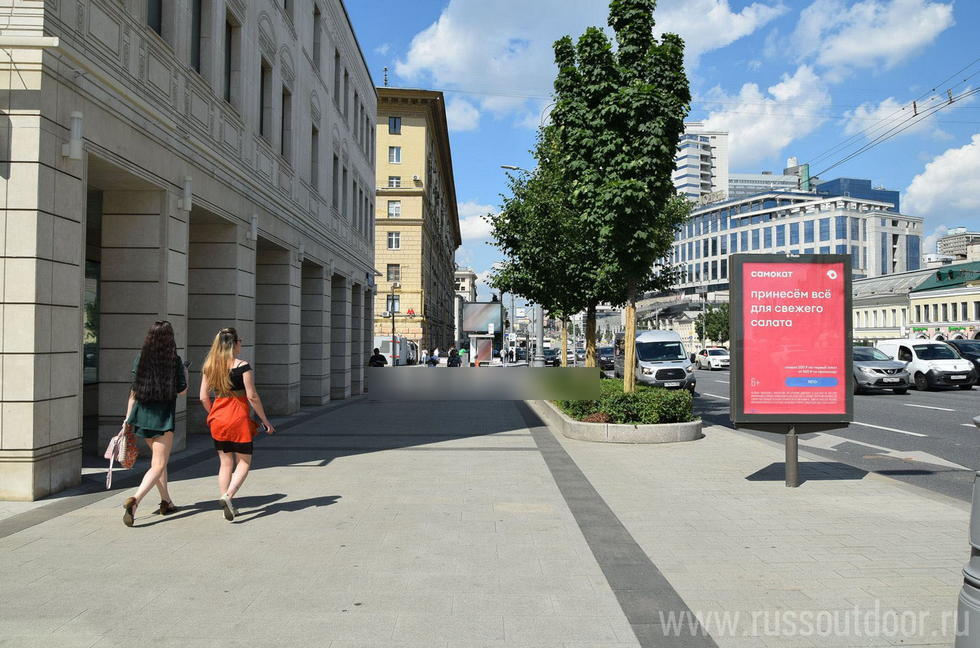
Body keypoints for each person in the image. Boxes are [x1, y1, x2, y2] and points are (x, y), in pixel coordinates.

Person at [199, 327, 275, 521]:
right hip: (239, 419)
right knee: (244, 462)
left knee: (225, 462)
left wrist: (213, 413)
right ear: (233, 344)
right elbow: (252, 396)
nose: (241, 343)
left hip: (218, 419)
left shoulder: (210, 366)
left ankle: (227, 502)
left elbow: (202, 397)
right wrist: (265, 421)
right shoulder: (243, 366)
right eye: (239, 340)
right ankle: (228, 496)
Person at [121, 321, 188, 527]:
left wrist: (126, 419)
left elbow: (134, 391)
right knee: (158, 464)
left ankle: (166, 501)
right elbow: (182, 390)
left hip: (142, 416)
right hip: (162, 419)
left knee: (159, 463)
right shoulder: (173, 360)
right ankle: (135, 500)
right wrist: (185, 373)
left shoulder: (141, 358)